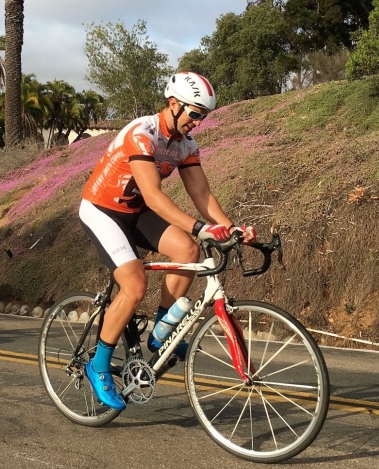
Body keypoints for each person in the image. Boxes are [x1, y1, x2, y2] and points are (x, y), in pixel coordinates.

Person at [78, 72, 257, 410]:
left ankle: (163, 332)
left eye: (203, 117)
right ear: (173, 104)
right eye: (194, 113)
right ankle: (97, 365)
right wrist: (200, 227)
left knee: (188, 250)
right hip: (102, 210)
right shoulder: (142, 134)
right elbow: (154, 195)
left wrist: (231, 228)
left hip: (135, 212)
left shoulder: (185, 146)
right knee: (134, 284)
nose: (197, 123)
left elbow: (201, 193)